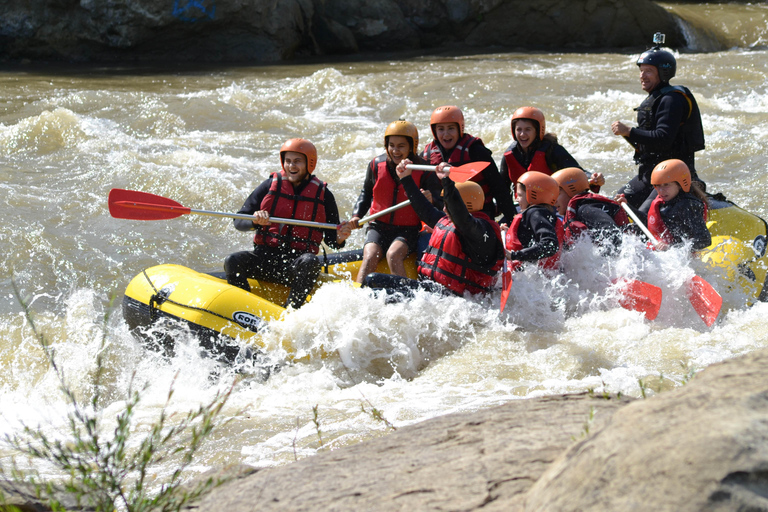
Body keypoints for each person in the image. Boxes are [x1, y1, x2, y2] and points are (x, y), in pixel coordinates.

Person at [224, 138, 352, 309]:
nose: (292, 166)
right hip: (265, 259)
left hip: (296, 265)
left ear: (310, 163)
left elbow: (332, 241)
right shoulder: (269, 185)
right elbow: (239, 221)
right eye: (288, 161)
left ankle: (290, 310)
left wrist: (340, 237)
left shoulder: (324, 195)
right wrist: (254, 220)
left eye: (297, 161)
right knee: (232, 260)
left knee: (311, 261)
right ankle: (243, 309)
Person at [362, 162, 505, 297]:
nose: (444, 208)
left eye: (447, 204)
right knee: (371, 279)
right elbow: (425, 210)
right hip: (433, 290)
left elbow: (462, 218)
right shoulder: (449, 222)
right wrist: (406, 178)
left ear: (463, 205)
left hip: (454, 297)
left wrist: (447, 182)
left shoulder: (480, 231)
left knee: (374, 293)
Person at [611, 33, 705, 214]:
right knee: (615, 206)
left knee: (644, 215)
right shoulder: (657, 99)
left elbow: (663, 138)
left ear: (663, 73)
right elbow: (650, 142)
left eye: (648, 71)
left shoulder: (672, 100)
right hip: (649, 173)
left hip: (670, 177)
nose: (642, 76)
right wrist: (629, 134)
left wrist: (629, 131)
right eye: (641, 71)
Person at [349, 120, 441, 283]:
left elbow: (439, 204)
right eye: (391, 145)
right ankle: (358, 293)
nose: (395, 150)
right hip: (378, 226)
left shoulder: (424, 170)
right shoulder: (376, 165)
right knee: (370, 255)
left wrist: (431, 199)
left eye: (401, 146)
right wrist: (356, 215)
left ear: (412, 147)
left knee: (393, 255)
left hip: (407, 230)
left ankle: (405, 293)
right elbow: (366, 194)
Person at [500, 106, 604, 215]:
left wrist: (593, 178)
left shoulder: (552, 149)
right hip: (523, 207)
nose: (522, 134)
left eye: (528, 129)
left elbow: (575, 172)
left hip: (553, 206)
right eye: (519, 129)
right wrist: (509, 214)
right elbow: (502, 190)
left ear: (538, 130)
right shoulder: (509, 154)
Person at [421, 105, 517, 221]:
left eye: (451, 128)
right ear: (434, 131)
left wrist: (512, 220)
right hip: (445, 214)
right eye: (441, 129)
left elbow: (498, 188)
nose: (446, 134)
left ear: (460, 129)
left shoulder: (476, 151)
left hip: (478, 215)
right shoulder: (427, 155)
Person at [551, 167, 630, 248]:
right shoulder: (577, 211)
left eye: (557, 194)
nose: (553, 200)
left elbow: (613, 231)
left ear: (571, 190)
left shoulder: (585, 210)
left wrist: (609, 254)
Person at [644, 159, 711, 251]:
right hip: (665, 251)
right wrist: (626, 204)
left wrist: (671, 248)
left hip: (681, 256)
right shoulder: (664, 201)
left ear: (679, 184)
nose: (661, 190)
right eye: (658, 185)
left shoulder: (688, 206)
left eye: (666, 185)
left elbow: (705, 240)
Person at [505, 171, 563, 271]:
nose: (517, 199)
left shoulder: (535, 213)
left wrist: (514, 255)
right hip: (546, 275)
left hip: (532, 276)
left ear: (532, 195)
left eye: (520, 195)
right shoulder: (544, 214)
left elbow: (550, 245)